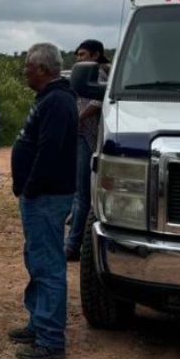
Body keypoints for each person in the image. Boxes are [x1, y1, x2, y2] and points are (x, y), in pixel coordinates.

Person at [8, 42, 78, 359]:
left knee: (48, 265)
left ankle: (50, 339)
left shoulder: (59, 102)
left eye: (27, 68)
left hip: (47, 197)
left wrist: (31, 187)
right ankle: (38, 324)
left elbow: (48, 152)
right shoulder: (50, 99)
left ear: (43, 69)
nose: (24, 73)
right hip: (41, 196)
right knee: (36, 260)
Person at [65, 39, 111, 261]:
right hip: (80, 136)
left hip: (88, 138)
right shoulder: (83, 75)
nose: (79, 59)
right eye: (77, 55)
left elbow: (98, 102)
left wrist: (78, 117)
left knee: (82, 195)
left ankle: (73, 245)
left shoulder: (99, 75)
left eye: (83, 55)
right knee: (78, 193)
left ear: (95, 55)